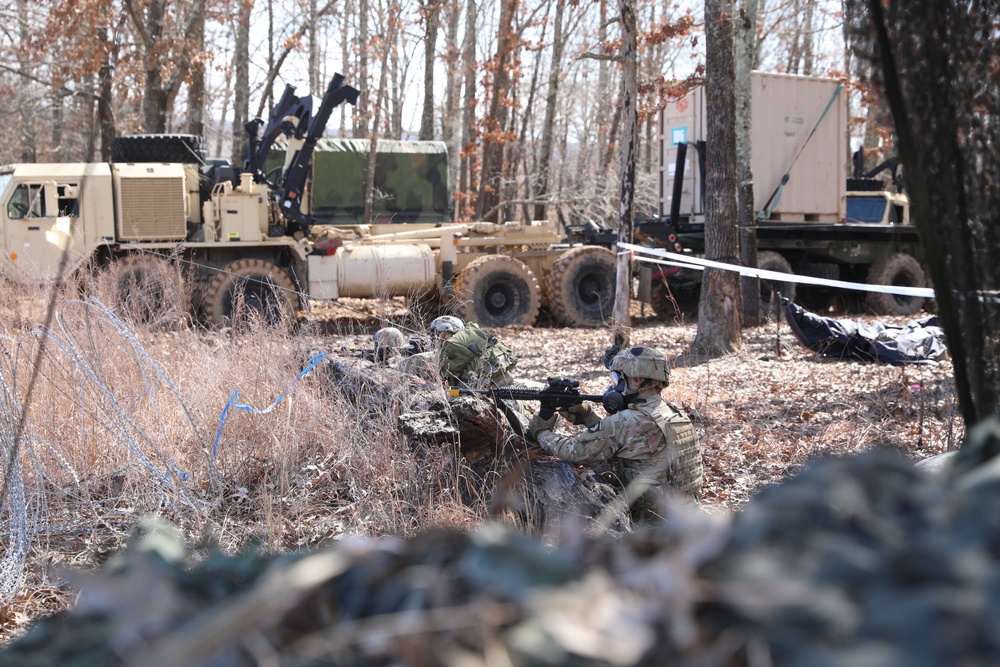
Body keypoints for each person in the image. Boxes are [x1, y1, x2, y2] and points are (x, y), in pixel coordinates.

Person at [526, 345, 702, 521]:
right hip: (685, 518)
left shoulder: (627, 421)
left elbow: (573, 452)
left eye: (618, 378)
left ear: (638, 380)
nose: (615, 385)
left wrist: (541, 433)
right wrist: (587, 415)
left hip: (650, 530)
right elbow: (626, 441)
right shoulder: (673, 412)